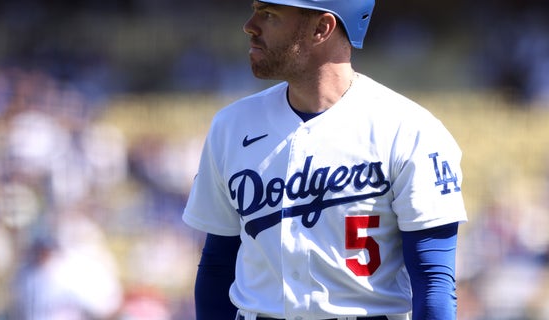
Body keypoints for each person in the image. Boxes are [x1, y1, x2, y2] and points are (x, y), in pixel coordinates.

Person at [182, 0, 467, 319]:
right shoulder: (231, 126)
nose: (250, 25)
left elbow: (434, 282)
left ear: (322, 28)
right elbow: (217, 267)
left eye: (269, 15)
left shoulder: (409, 130)